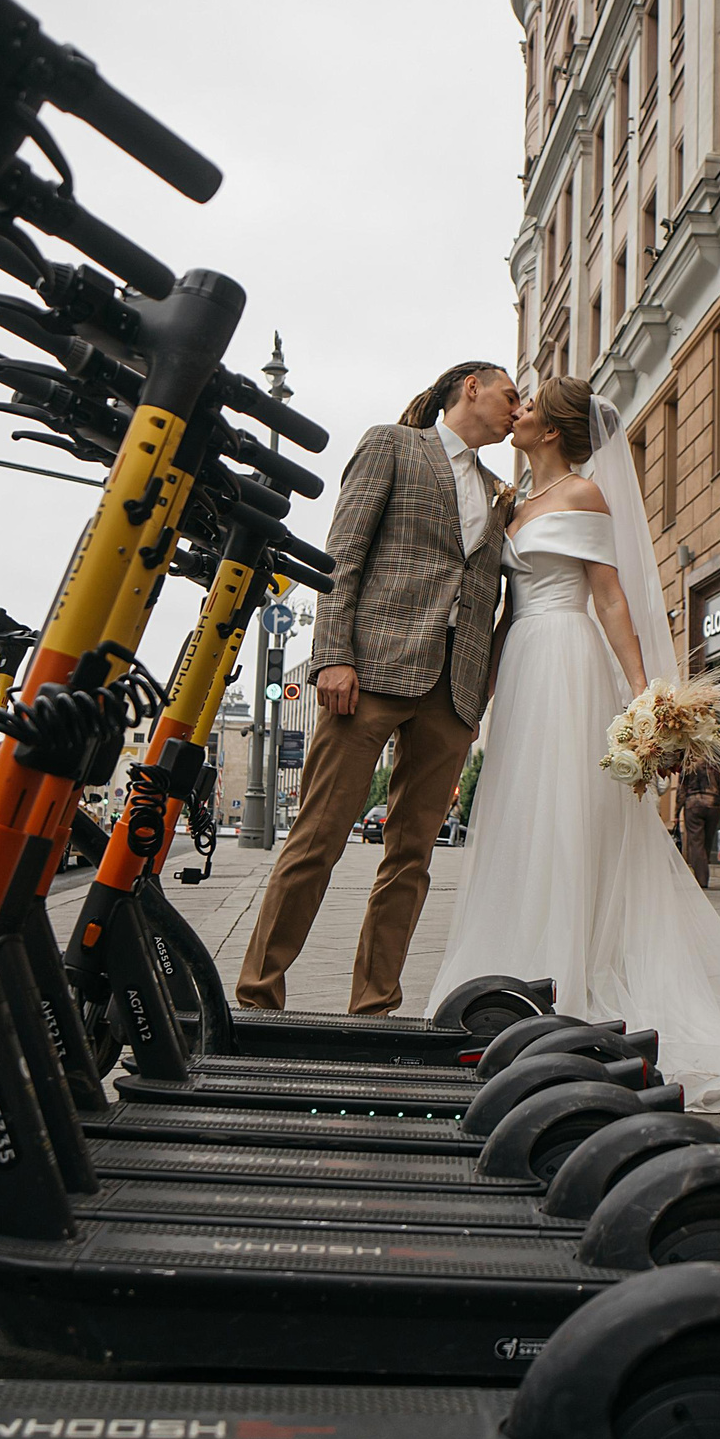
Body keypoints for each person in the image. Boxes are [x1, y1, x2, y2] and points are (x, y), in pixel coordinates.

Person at [422, 377, 720, 1111]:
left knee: (569, 820)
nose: (518, 411)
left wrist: (644, 695)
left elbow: (609, 595)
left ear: (555, 430)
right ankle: (509, 976)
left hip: (569, 661)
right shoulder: (516, 504)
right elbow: (504, 616)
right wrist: (479, 705)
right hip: (527, 662)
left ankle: (567, 979)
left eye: (529, 406)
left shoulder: (583, 496)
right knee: (522, 823)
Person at [235, 361, 516, 1015]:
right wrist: (331, 655)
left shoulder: (502, 489)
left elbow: (491, 595)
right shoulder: (393, 443)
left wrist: (480, 697)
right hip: (369, 674)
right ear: (470, 386)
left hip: (453, 694)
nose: (517, 407)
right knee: (317, 839)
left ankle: (375, 1005)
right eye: (510, 392)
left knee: (411, 858)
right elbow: (343, 555)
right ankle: (256, 996)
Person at [675, 758, 720, 890]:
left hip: (694, 804)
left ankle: (702, 879)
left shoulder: (688, 764)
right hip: (713, 804)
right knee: (707, 842)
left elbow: (681, 790)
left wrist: (676, 812)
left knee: (697, 843)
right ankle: (703, 873)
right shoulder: (713, 764)